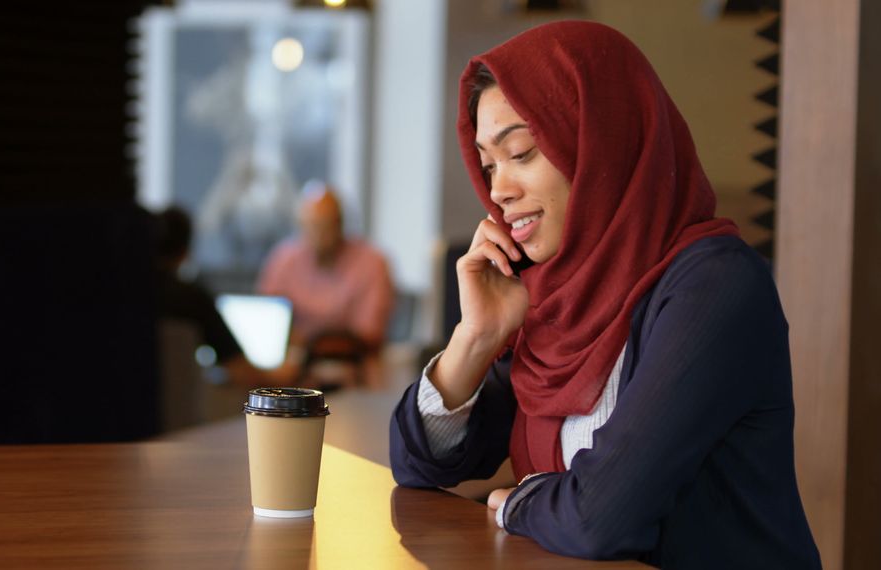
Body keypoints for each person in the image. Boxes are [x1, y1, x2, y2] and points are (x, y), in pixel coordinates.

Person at [389, 21, 820, 569]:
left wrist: (517, 503)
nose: (498, 190)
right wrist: (475, 338)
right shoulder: (557, 299)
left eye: (520, 152)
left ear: (602, 143)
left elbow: (601, 517)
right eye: (489, 164)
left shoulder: (716, 287)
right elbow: (417, 465)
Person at [258, 182, 395, 388]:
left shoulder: (371, 263)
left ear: (340, 223)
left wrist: (311, 345)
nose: (316, 235)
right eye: (309, 226)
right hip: (292, 368)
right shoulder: (283, 259)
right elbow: (267, 320)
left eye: (324, 226)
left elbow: (369, 335)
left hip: (352, 369)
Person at [154, 206, 265, 387]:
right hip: (181, 407)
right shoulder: (191, 299)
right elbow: (239, 368)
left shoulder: (117, 294)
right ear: (185, 253)